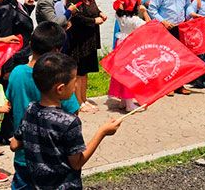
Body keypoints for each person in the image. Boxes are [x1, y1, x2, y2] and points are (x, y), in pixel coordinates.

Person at [10, 53, 121, 189]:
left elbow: (14, 145)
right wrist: (102, 132)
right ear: (60, 89)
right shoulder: (68, 122)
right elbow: (77, 162)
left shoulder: (30, 109)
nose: (75, 87)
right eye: (74, 82)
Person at [6, 21, 80, 190]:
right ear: (57, 51)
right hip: (52, 160)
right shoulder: (59, 80)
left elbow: (9, 102)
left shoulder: (16, 73)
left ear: (31, 44)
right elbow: (73, 115)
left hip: (23, 156)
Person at [0, 0, 35, 144]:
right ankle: (7, 133)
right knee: (9, 97)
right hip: (13, 59)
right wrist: (7, 67)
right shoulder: (5, 9)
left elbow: (22, 24)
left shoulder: (16, 5)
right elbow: (5, 38)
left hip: (21, 55)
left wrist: (29, 7)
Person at [149, 0, 192, 95]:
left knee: (180, 57)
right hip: (165, 28)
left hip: (180, 27)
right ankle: (167, 86)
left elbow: (188, 5)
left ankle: (180, 85)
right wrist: (163, 21)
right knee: (166, 58)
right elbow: (152, 9)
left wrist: (190, 14)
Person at [66, 0, 107, 112]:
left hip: (90, 40)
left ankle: (84, 98)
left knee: (85, 72)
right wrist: (94, 21)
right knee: (78, 73)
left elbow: (93, 9)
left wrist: (100, 13)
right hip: (79, 41)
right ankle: (78, 102)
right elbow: (77, 18)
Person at [109, 0, 150, 111]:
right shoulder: (135, 20)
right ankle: (129, 104)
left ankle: (123, 100)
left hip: (120, 43)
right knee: (131, 74)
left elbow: (118, 9)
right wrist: (145, 12)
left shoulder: (119, 16)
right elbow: (149, 25)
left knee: (122, 72)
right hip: (130, 46)